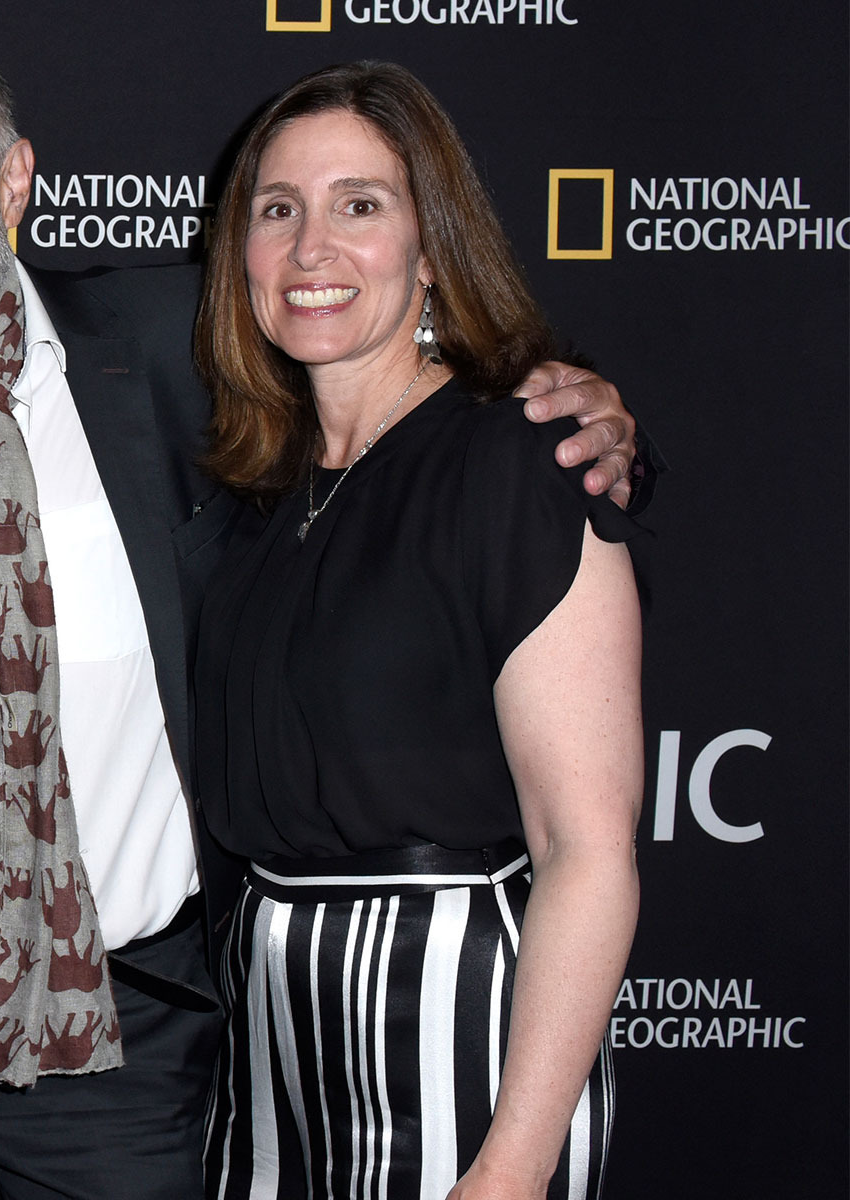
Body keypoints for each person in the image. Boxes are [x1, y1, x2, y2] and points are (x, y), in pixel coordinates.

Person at [0, 25, 642, 1199]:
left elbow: (404, 402)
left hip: (135, 1045)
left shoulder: (174, 350)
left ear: (14, 181)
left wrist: (582, 420)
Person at [190, 61, 639, 1200]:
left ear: (431, 245)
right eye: (276, 210)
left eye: (360, 205)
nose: (309, 250)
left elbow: (585, 851)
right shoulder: (259, 494)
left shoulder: (520, 461)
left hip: (461, 1028)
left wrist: (513, 1168)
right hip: (270, 1046)